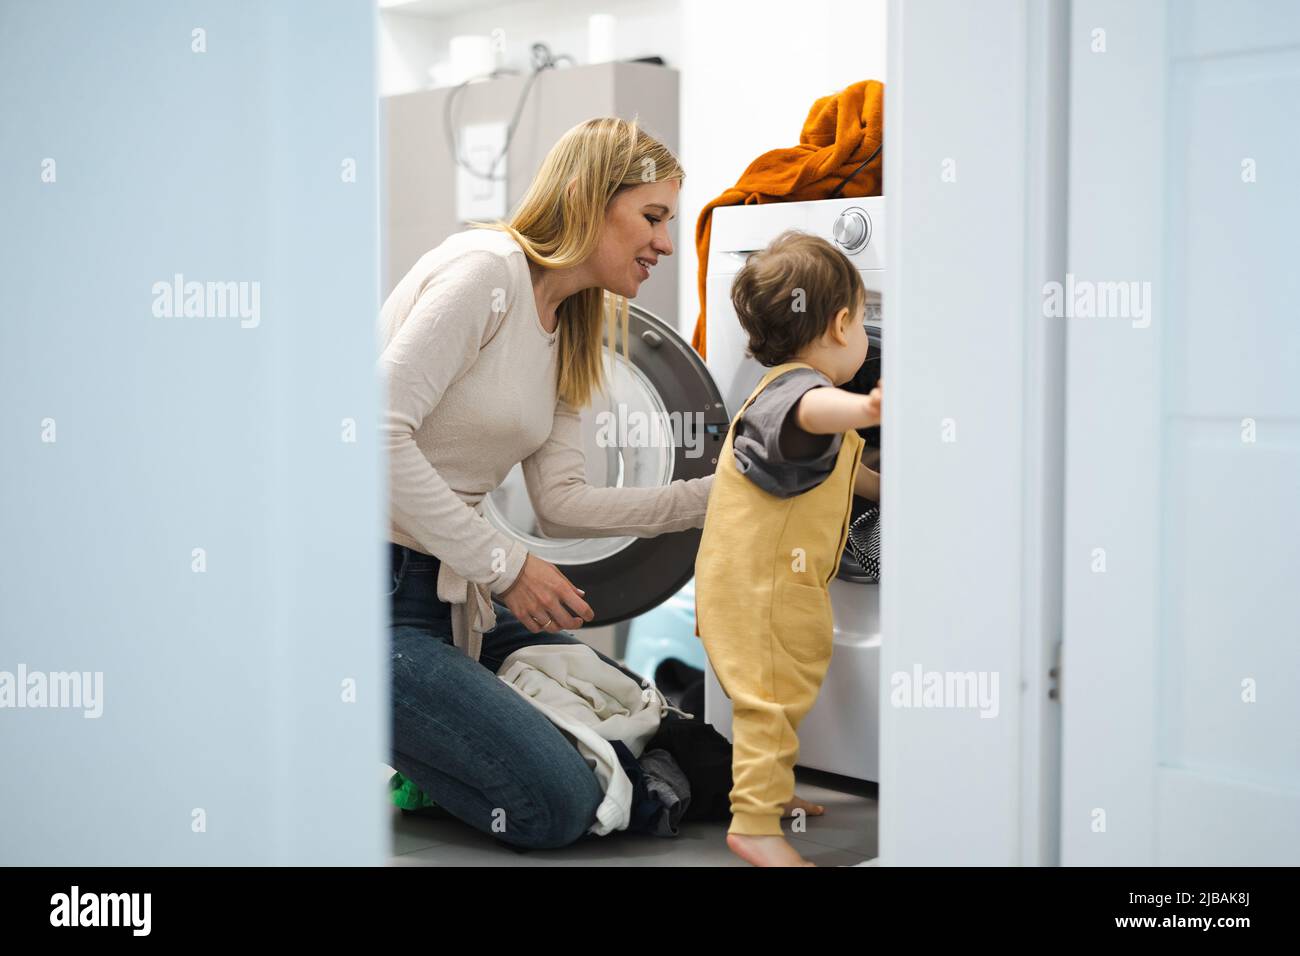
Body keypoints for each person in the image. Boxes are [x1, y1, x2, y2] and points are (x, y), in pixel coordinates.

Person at [694, 230, 883, 866]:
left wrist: (887, 487)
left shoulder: (770, 391)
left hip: (750, 585)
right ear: (840, 324)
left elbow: (839, 467)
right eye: (864, 324)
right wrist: (868, 405)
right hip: (764, 591)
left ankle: (768, 798)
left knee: (775, 703)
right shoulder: (795, 395)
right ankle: (754, 828)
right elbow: (816, 414)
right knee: (770, 704)